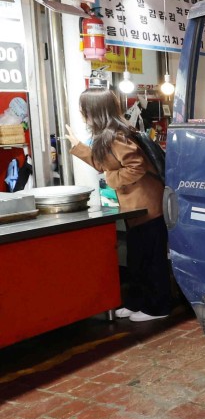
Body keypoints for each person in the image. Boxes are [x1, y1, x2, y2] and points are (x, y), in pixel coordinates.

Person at [66, 88, 173, 322]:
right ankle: (138, 303)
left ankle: (158, 307)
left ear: (93, 111)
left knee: (150, 260)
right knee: (137, 259)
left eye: (83, 109)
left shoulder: (117, 135)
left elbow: (135, 166)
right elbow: (104, 163)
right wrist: (78, 147)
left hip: (148, 206)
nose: (82, 113)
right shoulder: (109, 134)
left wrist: (111, 179)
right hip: (136, 207)